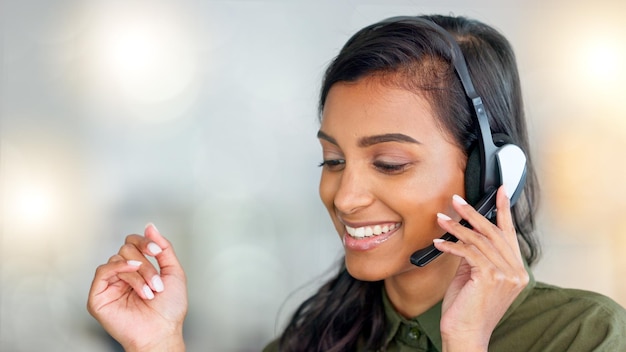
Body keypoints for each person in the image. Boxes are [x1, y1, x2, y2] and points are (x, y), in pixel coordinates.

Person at [87, 14, 626, 352]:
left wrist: (465, 343)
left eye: (389, 163)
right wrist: (159, 344)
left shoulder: (584, 335)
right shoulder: (308, 341)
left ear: (491, 173)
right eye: (333, 159)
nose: (344, 198)